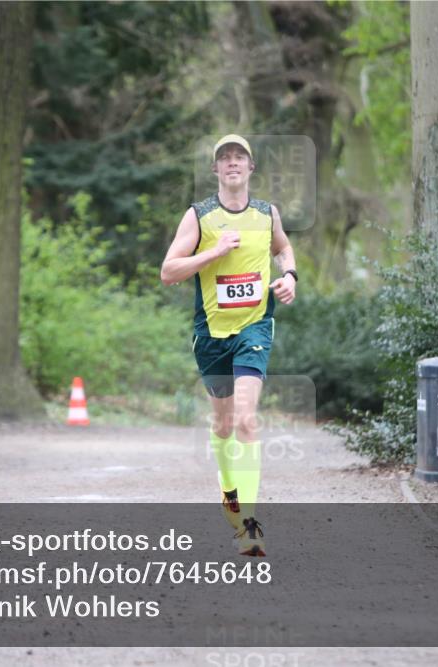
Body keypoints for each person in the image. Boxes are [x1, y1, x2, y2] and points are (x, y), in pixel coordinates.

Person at [160, 134, 297, 557]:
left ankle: (249, 524)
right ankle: (229, 492)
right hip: (211, 335)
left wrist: (289, 276)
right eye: (225, 159)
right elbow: (169, 271)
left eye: (240, 157)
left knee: (246, 421)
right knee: (222, 425)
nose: (233, 163)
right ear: (216, 170)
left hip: (255, 328)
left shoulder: (266, 213)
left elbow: (284, 247)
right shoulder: (199, 216)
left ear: (251, 168)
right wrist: (213, 253)